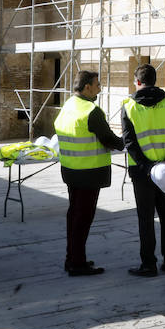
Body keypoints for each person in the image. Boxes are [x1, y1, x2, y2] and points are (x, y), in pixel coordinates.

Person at [53, 71, 124, 276]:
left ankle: (73, 258)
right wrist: (124, 141)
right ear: (87, 88)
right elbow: (109, 139)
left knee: (74, 216)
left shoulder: (68, 106)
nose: (100, 88)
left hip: (71, 171)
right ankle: (77, 263)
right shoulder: (91, 111)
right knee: (83, 219)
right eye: (97, 84)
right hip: (88, 172)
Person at [120, 64, 165, 277]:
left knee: (146, 218)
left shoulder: (129, 105)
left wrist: (147, 167)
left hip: (142, 172)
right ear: (155, 80)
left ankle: (148, 264)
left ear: (137, 82)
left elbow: (129, 142)